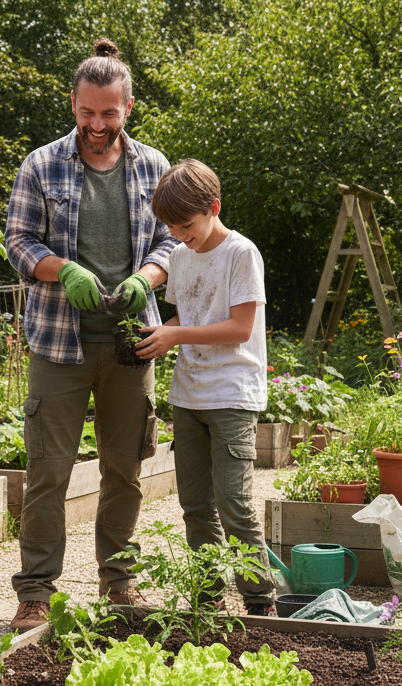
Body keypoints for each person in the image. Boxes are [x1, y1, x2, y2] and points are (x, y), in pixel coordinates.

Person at [4, 39, 177, 631]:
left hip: (132, 342)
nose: (97, 125)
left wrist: (147, 278)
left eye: (109, 113)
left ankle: (117, 581)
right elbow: (19, 241)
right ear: (73, 106)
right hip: (60, 340)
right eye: (86, 113)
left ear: (128, 107)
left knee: (125, 468)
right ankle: (34, 590)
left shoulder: (154, 167)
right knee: (49, 468)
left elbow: (172, 241)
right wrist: (64, 269)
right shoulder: (41, 164)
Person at [137, 159, 273, 615]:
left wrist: (175, 335)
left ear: (214, 207)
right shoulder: (179, 254)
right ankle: (207, 599)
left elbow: (239, 328)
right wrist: (160, 335)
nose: (178, 233)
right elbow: (186, 317)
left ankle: (260, 603)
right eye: (171, 226)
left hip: (232, 394)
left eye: (186, 224)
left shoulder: (240, 253)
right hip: (188, 394)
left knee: (233, 502)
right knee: (195, 505)